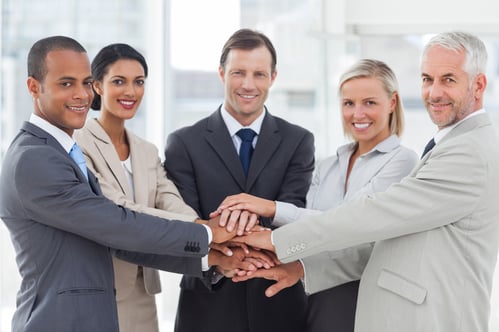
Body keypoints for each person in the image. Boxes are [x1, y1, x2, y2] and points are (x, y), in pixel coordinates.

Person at [231, 31, 499, 332]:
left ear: (478, 85)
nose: (434, 92)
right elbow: (384, 242)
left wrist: (276, 239)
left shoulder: (468, 152)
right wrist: (301, 268)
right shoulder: (450, 145)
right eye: (427, 79)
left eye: (448, 79)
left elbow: (373, 214)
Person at [0, 36, 253, 332]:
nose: (81, 95)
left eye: (85, 83)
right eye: (66, 84)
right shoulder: (36, 159)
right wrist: (207, 232)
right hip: (60, 321)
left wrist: (210, 259)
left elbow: (114, 239)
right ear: (33, 87)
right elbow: (118, 225)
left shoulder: (62, 151)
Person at [75, 43, 270, 332]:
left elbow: (170, 201)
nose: (130, 91)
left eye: (138, 82)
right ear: (97, 86)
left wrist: (214, 239)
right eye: (119, 81)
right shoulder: (79, 143)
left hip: (143, 293)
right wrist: (207, 231)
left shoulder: (146, 151)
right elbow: (118, 209)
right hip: (99, 289)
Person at [216, 59, 418, 331]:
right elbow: (310, 230)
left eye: (369, 102)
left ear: (392, 103)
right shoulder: (329, 164)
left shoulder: (402, 161)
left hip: (365, 297)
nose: (358, 114)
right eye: (348, 103)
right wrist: (244, 236)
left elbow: (351, 225)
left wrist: (272, 209)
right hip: (317, 295)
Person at [164, 28, 315, 332]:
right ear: (221, 73)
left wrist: (230, 240)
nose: (248, 85)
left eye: (259, 74)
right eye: (238, 73)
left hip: (279, 306)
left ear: (273, 77)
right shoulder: (184, 143)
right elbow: (187, 225)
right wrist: (221, 259)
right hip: (207, 309)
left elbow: (292, 214)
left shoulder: (298, 141)